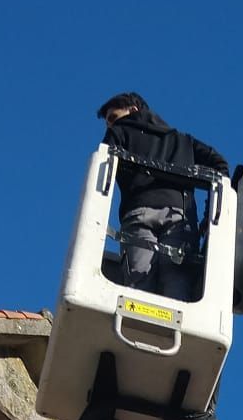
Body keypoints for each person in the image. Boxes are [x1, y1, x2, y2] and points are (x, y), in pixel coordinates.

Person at [96, 94, 229, 294]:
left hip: (138, 213)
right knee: (176, 286)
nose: (110, 126)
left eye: (113, 118)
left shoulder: (120, 131)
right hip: (179, 218)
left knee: (138, 284)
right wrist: (209, 214)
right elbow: (220, 166)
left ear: (133, 110)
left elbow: (103, 164)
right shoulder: (182, 140)